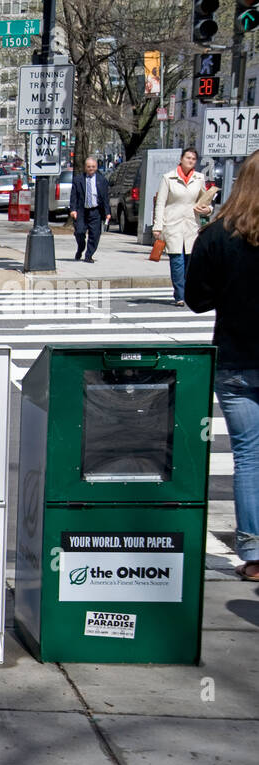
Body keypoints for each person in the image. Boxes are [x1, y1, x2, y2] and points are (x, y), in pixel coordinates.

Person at [186, 151, 259, 582]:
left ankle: (253, 554)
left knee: (248, 457)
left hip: (234, 358)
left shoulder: (216, 236)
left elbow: (197, 299)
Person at [153, 147, 214, 307]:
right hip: (172, 223)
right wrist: (157, 225)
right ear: (181, 159)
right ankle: (180, 295)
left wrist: (208, 210)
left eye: (194, 159)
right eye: (188, 158)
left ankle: (188, 292)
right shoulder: (168, 178)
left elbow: (206, 200)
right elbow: (160, 203)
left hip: (190, 225)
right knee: (177, 260)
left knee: (190, 261)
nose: (191, 161)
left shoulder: (199, 178)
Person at [68, 155, 110, 262]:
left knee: (95, 235)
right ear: (85, 167)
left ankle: (88, 255)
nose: (91, 168)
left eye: (93, 166)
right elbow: (74, 196)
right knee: (79, 232)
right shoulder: (78, 180)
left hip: (96, 211)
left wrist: (107, 212)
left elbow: (105, 197)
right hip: (82, 211)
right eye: (89, 166)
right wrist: (73, 209)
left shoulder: (102, 180)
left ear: (96, 167)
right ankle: (81, 247)